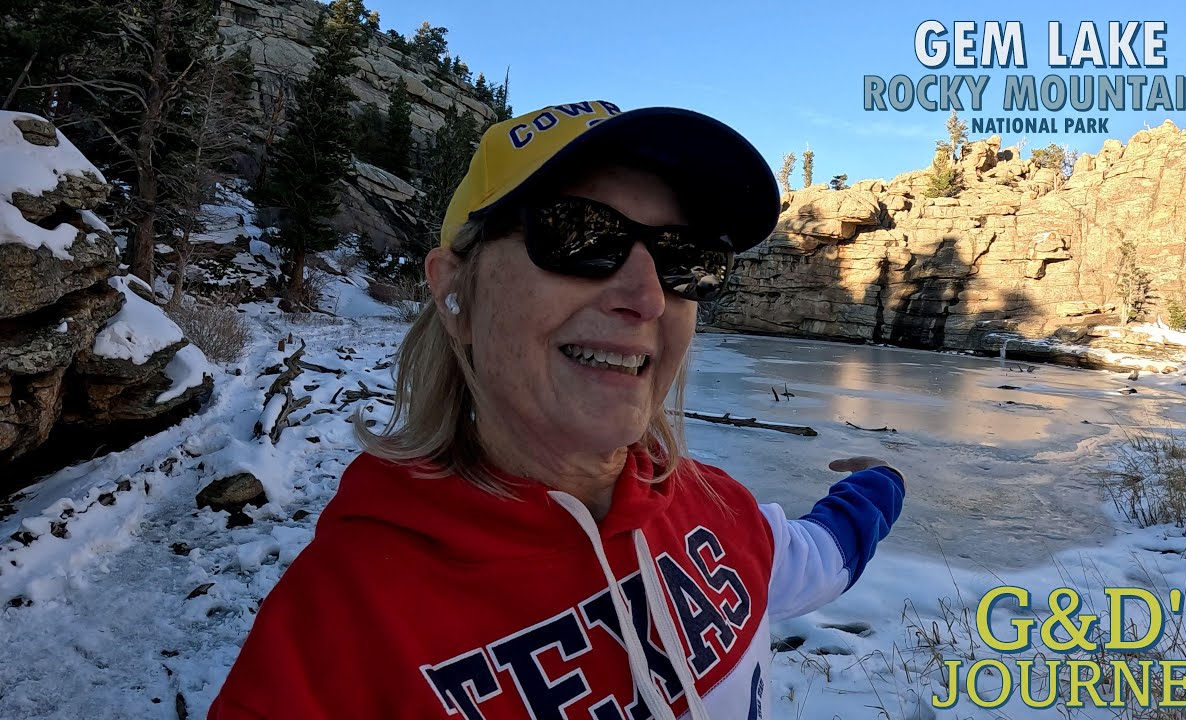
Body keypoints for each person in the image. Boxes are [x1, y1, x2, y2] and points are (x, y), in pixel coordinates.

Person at [209, 99, 905, 719]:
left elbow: (823, 553)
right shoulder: (342, 627)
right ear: (456, 291)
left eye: (684, 259)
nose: (648, 296)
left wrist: (883, 481)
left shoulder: (715, 511)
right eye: (580, 236)